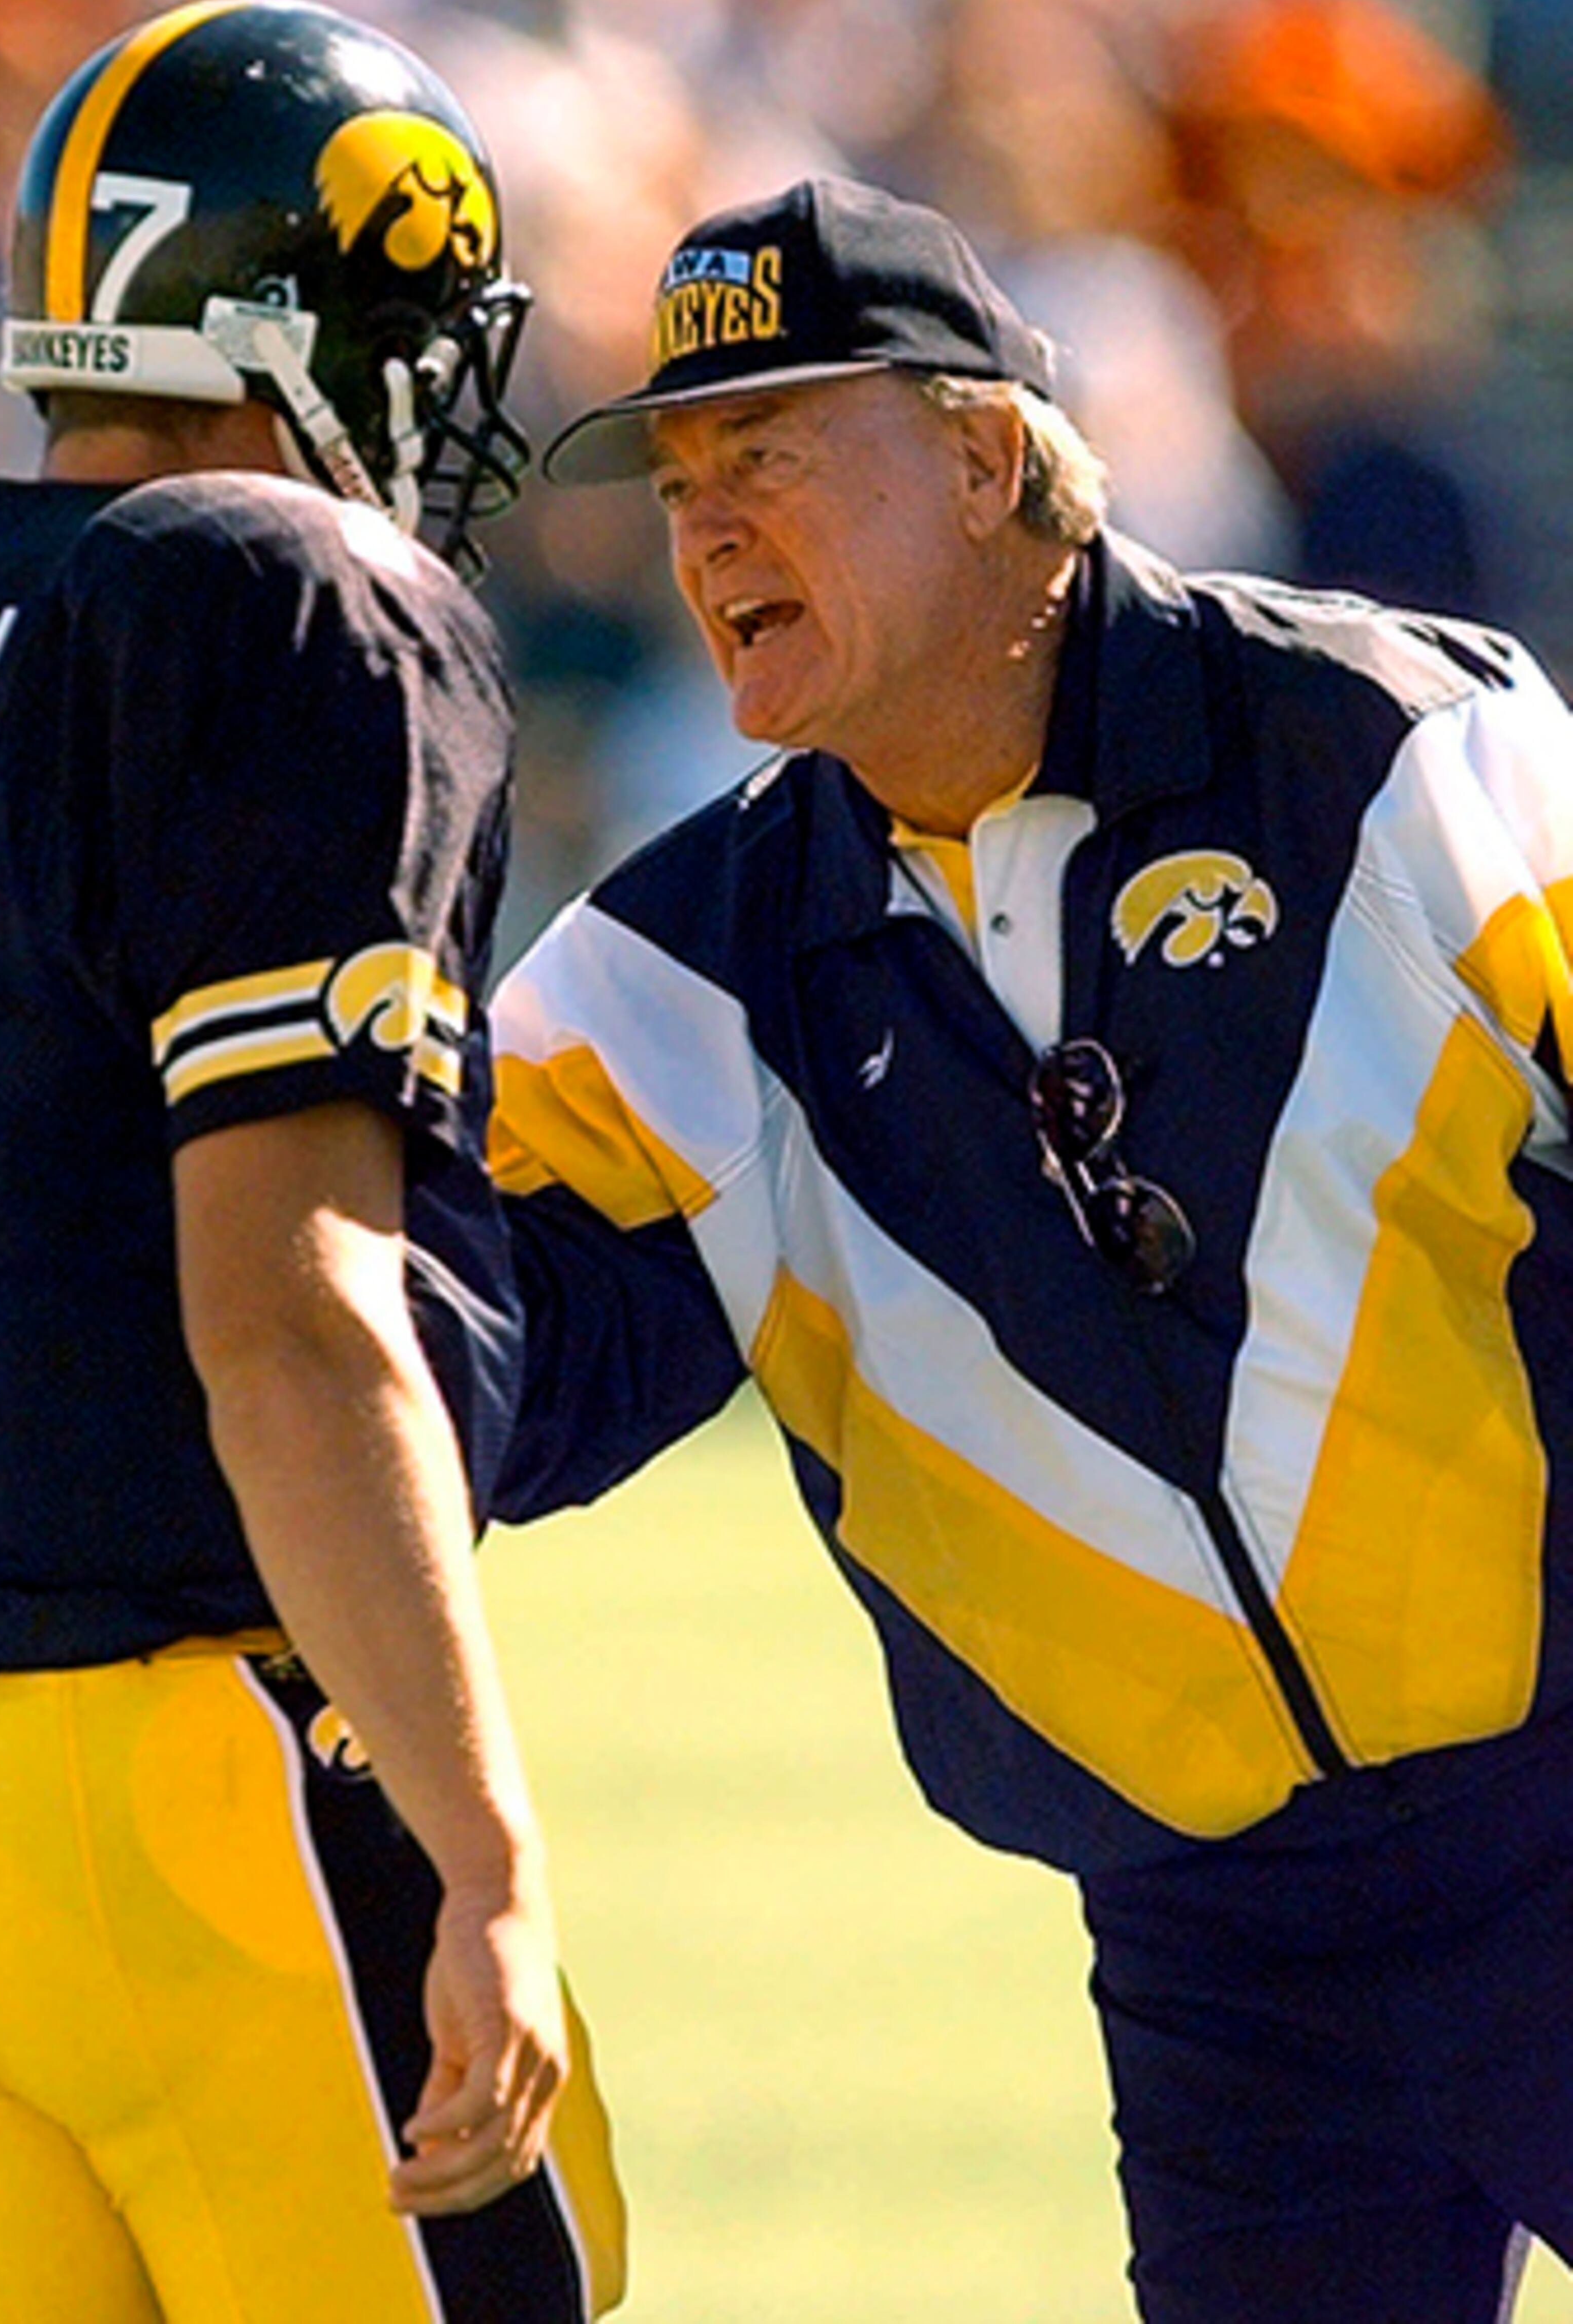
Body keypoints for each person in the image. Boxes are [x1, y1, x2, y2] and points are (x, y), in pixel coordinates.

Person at [487, 172, 1573, 2323]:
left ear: (988, 454)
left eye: (771, 455)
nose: (706, 534)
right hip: (1215, 1962)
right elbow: (423, 1367)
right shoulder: (673, 977)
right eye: (684, 480)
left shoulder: (1402, 755)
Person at [0, 0, 623, 2323]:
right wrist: (481, 1849)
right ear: (304, 322)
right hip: (185, 1793)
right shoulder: (285, 607)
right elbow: (292, 1310)